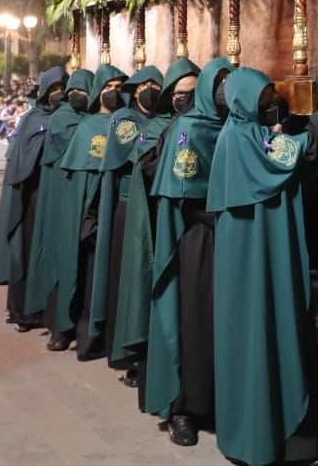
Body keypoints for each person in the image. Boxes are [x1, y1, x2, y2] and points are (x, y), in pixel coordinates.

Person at [208, 68, 318, 465]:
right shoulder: (238, 138)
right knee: (255, 333)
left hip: (271, 243)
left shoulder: (254, 135)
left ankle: (296, 439)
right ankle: (257, 439)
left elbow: (301, 161)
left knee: (284, 325)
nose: (272, 105)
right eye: (265, 99)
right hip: (250, 250)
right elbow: (295, 155)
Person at [143, 58, 231, 445]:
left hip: (236, 240)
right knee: (194, 323)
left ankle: (226, 401)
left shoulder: (238, 127)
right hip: (201, 240)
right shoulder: (184, 130)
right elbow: (181, 191)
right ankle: (185, 408)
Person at [112, 59, 201, 399]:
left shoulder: (211, 127)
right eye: (179, 94)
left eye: (192, 93)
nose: (185, 99)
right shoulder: (155, 129)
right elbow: (148, 171)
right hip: (161, 226)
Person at [90, 64, 161, 385]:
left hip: (159, 211)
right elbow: (134, 152)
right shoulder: (125, 120)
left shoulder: (167, 122)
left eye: (155, 84)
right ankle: (129, 353)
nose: (149, 89)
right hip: (129, 209)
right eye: (143, 84)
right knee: (129, 282)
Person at [55, 63, 127, 361]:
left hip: (115, 212)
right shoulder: (87, 127)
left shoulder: (126, 124)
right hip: (90, 213)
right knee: (85, 271)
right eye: (109, 88)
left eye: (119, 89)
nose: (114, 94)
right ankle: (77, 330)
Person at [0, 67, 66, 332]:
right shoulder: (32, 119)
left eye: (62, 89)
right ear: (44, 92)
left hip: (56, 199)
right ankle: (24, 311)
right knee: (28, 251)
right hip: (32, 197)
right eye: (54, 90)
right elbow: (22, 159)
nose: (59, 94)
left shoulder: (69, 119)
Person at [23, 68, 93, 350]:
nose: (78, 95)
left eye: (85, 90)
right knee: (59, 261)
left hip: (83, 200)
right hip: (61, 200)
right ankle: (58, 327)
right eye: (73, 90)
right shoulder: (62, 120)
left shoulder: (92, 121)